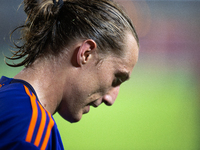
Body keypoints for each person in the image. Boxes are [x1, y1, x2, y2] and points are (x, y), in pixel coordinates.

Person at [0, 0, 139, 149]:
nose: (111, 99)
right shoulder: (29, 132)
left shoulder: (7, 97)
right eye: (116, 78)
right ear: (86, 53)